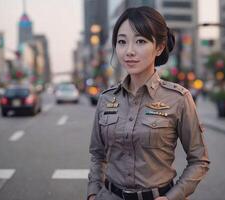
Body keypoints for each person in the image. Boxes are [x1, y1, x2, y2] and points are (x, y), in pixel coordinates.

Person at [87, 6, 210, 200]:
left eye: (140, 41)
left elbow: (199, 160)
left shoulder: (179, 98)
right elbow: (97, 155)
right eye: (121, 42)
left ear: (159, 47)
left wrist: (173, 197)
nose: (129, 51)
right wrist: (93, 193)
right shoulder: (106, 99)